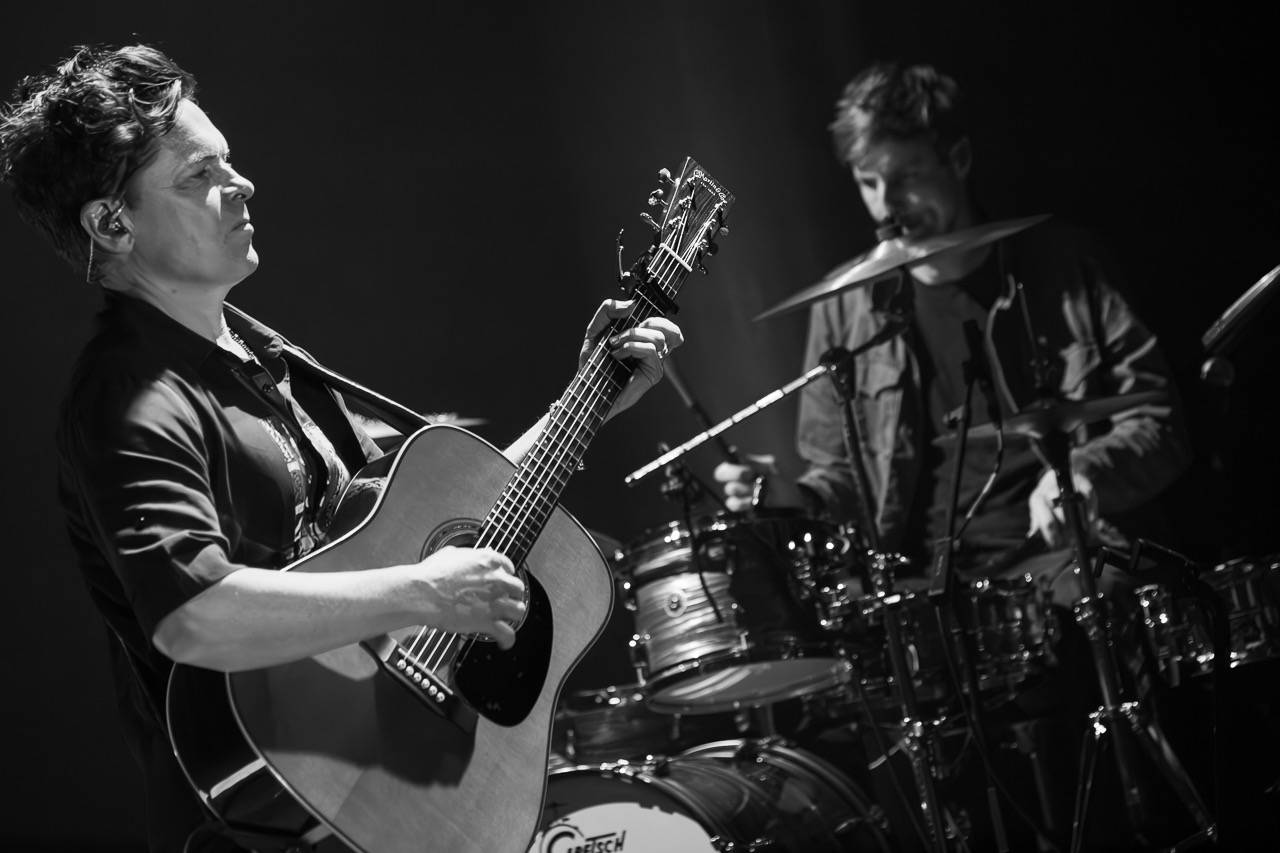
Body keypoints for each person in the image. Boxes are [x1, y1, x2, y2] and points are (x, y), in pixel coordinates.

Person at [0, 45, 682, 852]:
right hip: (268, 826)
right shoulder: (131, 396)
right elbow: (193, 615)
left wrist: (587, 401)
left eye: (228, 160)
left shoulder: (265, 358)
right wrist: (424, 592)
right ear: (112, 224)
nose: (241, 184)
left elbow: (463, 512)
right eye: (199, 175)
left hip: (367, 788)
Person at [715, 62, 1191, 849]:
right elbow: (839, 479)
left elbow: (1158, 418)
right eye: (868, 183)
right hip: (921, 584)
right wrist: (786, 496)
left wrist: (1081, 474)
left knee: (1103, 624)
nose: (885, 205)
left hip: (1058, 562)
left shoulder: (1060, 263)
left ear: (959, 158)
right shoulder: (846, 305)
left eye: (904, 176)